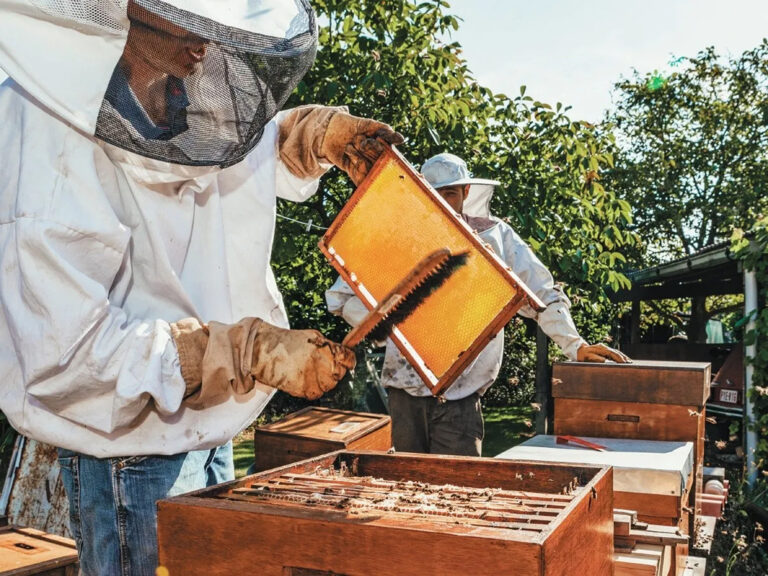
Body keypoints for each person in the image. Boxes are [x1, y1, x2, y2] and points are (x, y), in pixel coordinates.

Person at [0, 1, 401, 574]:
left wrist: (309, 136)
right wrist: (238, 351)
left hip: (213, 427)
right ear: (126, 12)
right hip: (131, 453)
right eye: (191, 22)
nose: (207, 44)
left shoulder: (177, 85)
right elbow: (64, 353)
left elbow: (232, 152)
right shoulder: (40, 128)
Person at [327, 152, 629, 457]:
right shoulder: (396, 241)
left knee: (458, 491)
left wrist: (574, 345)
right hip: (404, 395)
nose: (442, 203)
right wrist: (395, 321)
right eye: (433, 196)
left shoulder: (496, 239)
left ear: (466, 193)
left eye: (450, 193)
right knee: (405, 489)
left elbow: (543, 295)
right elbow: (342, 300)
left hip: (461, 399)